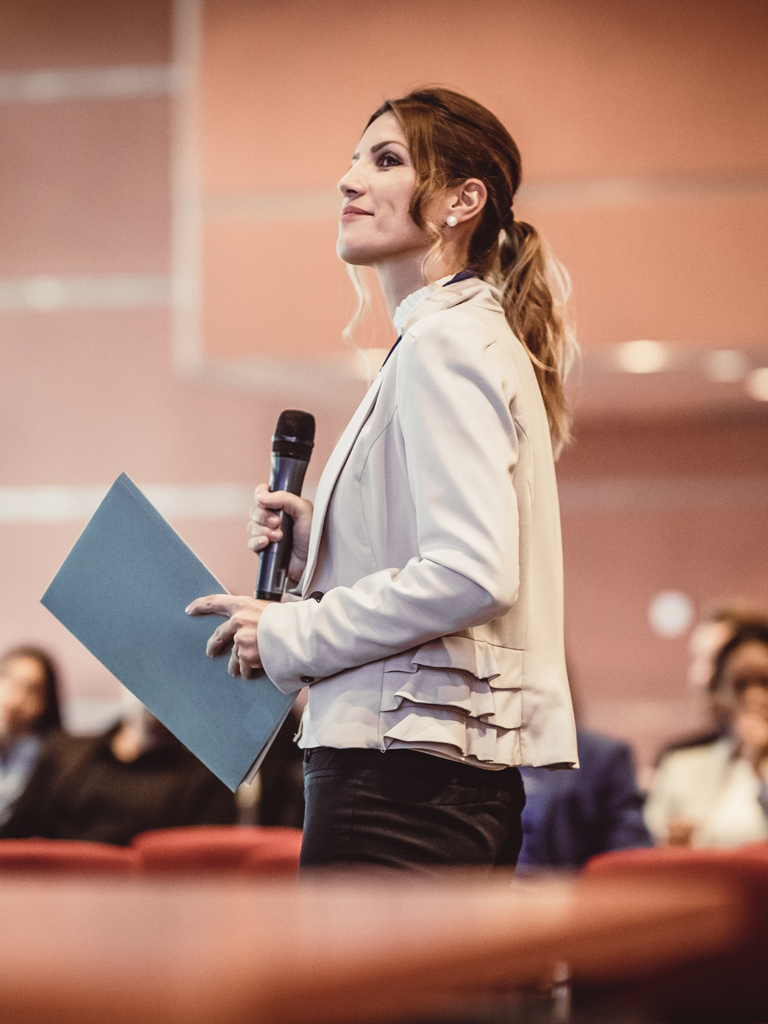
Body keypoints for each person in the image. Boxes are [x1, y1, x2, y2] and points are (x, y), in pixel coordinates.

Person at [187, 87, 578, 871]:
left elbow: (473, 572)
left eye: (387, 159)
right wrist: (320, 549)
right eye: (354, 159)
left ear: (463, 201)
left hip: (401, 781)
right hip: (421, 774)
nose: (349, 180)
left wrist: (291, 631)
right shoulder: (457, 335)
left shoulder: (445, 343)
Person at [0, 694, 237, 845]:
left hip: (148, 906)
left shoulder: (209, 777)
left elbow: (202, 865)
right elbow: (16, 835)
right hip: (51, 897)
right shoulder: (64, 752)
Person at [645, 624, 768, 848]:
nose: (754, 696)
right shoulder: (681, 766)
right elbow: (647, 845)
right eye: (740, 684)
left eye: (765, 683)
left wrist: (759, 768)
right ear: (719, 691)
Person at [518, 728, 652, 870]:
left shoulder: (601, 754)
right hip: (495, 884)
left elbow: (630, 849)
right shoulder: (494, 750)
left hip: (564, 885)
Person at [0, 646, 62, 826]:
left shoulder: (56, 757)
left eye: (31, 689)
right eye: (7, 678)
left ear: (46, 702)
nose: (15, 696)